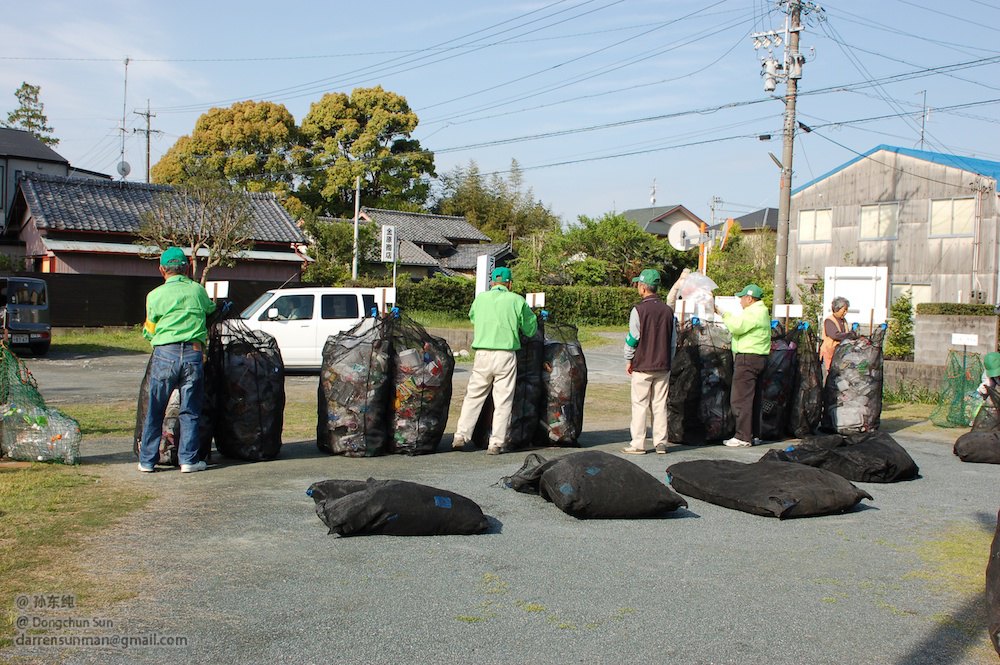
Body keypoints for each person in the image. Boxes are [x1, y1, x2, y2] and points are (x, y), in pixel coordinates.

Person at [138, 247, 217, 473]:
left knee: (155, 409)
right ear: (187, 268)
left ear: (162, 269)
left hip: (165, 354)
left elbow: (149, 329)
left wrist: (156, 337)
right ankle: (188, 461)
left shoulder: (154, 296)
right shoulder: (198, 291)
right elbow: (210, 310)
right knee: (190, 410)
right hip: (193, 354)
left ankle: (147, 461)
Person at [452, 267, 538, 455]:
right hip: (505, 355)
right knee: (503, 400)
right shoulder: (517, 300)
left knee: (473, 396)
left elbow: (473, 318)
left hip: (482, 354)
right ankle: (496, 443)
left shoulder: (480, 299)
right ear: (510, 283)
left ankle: (461, 435)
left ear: (492, 282)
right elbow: (530, 329)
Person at [621, 269, 675, 455]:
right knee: (660, 404)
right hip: (663, 365)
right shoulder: (669, 311)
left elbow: (633, 337)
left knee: (640, 404)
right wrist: (670, 361)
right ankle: (661, 443)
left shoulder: (638, 310)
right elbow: (673, 341)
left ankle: (638, 444)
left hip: (643, 365)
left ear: (643, 287)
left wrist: (628, 358)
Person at [722, 283, 771, 447]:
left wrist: (724, 315)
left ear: (749, 298)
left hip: (747, 358)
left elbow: (737, 327)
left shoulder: (754, 312)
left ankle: (742, 436)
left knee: (740, 398)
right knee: (754, 398)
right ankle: (754, 434)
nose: (740, 301)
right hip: (759, 357)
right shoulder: (762, 311)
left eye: (742, 298)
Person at [819, 296, 857, 370]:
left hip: (839, 353)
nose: (845, 312)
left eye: (846, 310)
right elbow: (835, 335)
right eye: (844, 310)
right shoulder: (829, 321)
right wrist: (850, 335)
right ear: (837, 309)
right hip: (829, 353)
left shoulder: (843, 321)